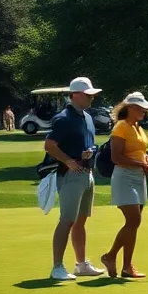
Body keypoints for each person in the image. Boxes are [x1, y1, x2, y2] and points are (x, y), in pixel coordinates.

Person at [42, 77, 106, 281]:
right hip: (70, 174)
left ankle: (81, 264)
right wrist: (69, 161)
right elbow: (50, 145)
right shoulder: (64, 118)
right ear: (75, 95)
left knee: (81, 221)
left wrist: (90, 156)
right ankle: (57, 267)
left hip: (86, 173)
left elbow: (89, 143)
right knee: (67, 220)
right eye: (88, 95)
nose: (92, 98)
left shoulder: (86, 117)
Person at [101, 92, 148, 279]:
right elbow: (116, 157)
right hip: (124, 177)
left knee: (133, 223)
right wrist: (142, 164)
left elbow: (144, 151)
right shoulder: (121, 127)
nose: (144, 110)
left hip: (139, 177)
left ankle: (127, 267)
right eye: (140, 108)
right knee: (134, 220)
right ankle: (110, 256)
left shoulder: (137, 127)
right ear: (130, 108)